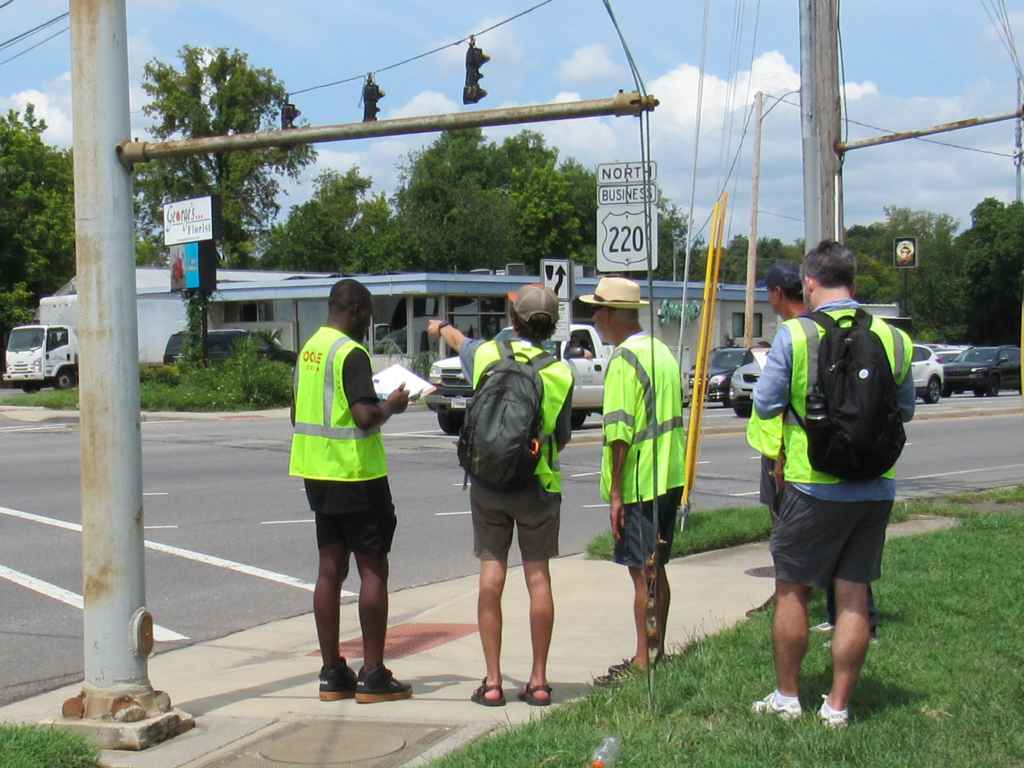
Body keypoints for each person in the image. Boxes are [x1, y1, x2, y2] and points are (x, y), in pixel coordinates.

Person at [751, 241, 914, 727]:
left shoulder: (796, 335)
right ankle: (837, 707)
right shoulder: (893, 337)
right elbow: (903, 410)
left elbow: (764, 404)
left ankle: (788, 696)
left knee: (793, 591)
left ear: (810, 283)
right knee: (853, 595)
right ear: (855, 284)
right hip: (874, 486)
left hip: (811, 483)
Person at [427, 284, 574, 707]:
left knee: (491, 579)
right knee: (537, 578)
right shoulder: (560, 373)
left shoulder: (489, 355)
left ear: (514, 321)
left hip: (488, 484)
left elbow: (459, 342)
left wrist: (442, 328)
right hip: (537, 485)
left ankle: (492, 682)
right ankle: (539, 681)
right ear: (550, 327)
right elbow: (559, 439)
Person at [290, 278, 413, 704]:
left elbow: (296, 412)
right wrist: (391, 406)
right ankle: (373, 675)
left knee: (329, 569)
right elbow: (364, 416)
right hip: (356, 475)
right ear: (357, 309)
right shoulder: (351, 352)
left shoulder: (311, 349)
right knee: (372, 570)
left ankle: (331, 673)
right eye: (371, 314)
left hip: (317, 473)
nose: (370, 323)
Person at [580, 277, 687, 685]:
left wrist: (616, 493)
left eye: (595, 310)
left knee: (641, 573)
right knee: (656, 569)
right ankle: (657, 650)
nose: (593, 317)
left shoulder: (624, 359)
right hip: (669, 473)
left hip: (641, 479)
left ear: (608, 315)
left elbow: (620, 432)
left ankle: (644, 660)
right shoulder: (660, 350)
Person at [744, 263, 805, 617]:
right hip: (778, 445)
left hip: (786, 449)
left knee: (786, 528)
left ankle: (788, 595)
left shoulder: (793, 334)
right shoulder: (807, 330)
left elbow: (785, 399)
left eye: (768, 291)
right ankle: (785, 591)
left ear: (778, 293)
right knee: (781, 523)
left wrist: (781, 455)